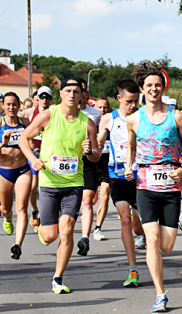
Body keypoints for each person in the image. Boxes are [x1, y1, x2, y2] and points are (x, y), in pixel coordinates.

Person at [19, 78, 101, 294]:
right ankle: (42, 228)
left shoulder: (88, 123)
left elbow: (95, 157)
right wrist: (32, 159)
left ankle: (58, 278)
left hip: (73, 184)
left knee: (67, 231)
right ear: (61, 93)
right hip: (48, 184)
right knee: (50, 236)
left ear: (82, 95)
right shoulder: (48, 116)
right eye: (68, 90)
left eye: (76, 91)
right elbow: (23, 139)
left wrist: (90, 151)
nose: (72, 94)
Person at [126, 63, 182, 311]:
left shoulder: (176, 116)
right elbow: (132, 146)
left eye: (157, 85)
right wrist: (128, 165)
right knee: (153, 239)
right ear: (142, 89)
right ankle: (160, 294)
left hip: (170, 187)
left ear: (162, 87)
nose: (153, 89)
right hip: (145, 186)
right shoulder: (134, 119)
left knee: (167, 245)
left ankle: (177, 221)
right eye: (149, 85)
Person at [98, 79, 144, 287]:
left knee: (139, 224)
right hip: (117, 176)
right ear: (119, 99)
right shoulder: (108, 119)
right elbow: (99, 143)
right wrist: (93, 146)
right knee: (125, 220)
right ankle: (132, 270)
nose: (133, 105)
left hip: (140, 176)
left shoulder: (143, 117)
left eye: (136, 100)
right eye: (129, 101)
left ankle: (142, 236)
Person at [0, 92, 33, 260]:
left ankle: (17, 244)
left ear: (19, 106)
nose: (11, 107)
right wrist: (2, 144)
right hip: (3, 172)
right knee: (6, 208)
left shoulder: (26, 122)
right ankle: (7, 217)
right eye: (8, 104)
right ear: (3, 106)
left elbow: (33, 142)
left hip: (23, 170)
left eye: (14, 104)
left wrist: (33, 147)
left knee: (22, 208)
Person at [76, 78, 103, 256]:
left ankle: (85, 237)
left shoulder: (95, 114)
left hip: (88, 162)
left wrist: (93, 150)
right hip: (66, 163)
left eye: (84, 90)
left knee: (87, 201)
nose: (82, 94)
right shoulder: (57, 113)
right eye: (79, 90)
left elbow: (99, 140)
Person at [28, 86, 53, 232]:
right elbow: (25, 133)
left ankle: (44, 214)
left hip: (49, 155)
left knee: (43, 187)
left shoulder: (55, 112)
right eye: (41, 97)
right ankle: (34, 210)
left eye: (47, 97)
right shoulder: (30, 112)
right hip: (35, 154)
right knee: (32, 186)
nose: (44, 100)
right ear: (37, 98)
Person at [91, 98, 113, 242]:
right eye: (100, 107)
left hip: (107, 165)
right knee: (91, 200)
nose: (103, 110)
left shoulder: (113, 125)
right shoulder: (90, 125)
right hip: (92, 165)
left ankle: (98, 228)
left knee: (104, 195)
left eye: (105, 107)